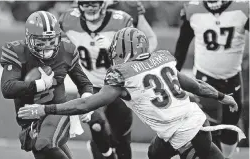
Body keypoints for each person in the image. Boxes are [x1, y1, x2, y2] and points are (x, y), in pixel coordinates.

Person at [18, 27, 245, 159]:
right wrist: (222, 96)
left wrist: (46, 108)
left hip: (182, 129)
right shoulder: (161, 58)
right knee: (155, 154)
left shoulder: (122, 73)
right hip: (190, 120)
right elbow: (193, 85)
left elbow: (87, 105)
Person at [0, 11, 93, 159]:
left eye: (51, 41)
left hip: (57, 111)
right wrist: (39, 85)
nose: (47, 47)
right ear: (29, 38)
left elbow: (84, 84)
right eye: (41, 42)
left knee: (43, 144)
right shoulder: (17, 51)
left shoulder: (67, 50)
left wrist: (87, 101)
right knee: (43, 152)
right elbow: (7, 88)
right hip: (31, 119)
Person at [58, 1, 135, 159]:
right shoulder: (67, 19)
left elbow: (135, 57)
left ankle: (101, 148)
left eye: (94, 2)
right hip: (90, 87)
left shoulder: (121, 20)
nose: (90, 7)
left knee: (121, 140)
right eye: (86, 3)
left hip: (118, 85)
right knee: (96, 124)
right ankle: (106, 154)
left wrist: (114, 48)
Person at [174, 0, 249, 158]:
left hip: (232, 78)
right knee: (209, 126)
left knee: (230, 130)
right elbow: (182, 44)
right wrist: (174, 72)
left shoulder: (242, 8)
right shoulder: (193, 9)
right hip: (204, 77)